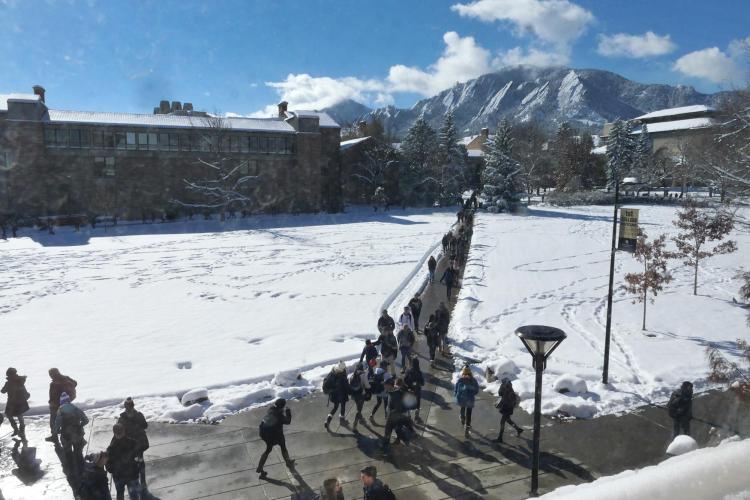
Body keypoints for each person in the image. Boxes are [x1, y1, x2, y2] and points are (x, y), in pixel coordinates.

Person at [53, 392, 89, 481]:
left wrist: (55, 432)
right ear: (69, 400)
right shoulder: (75, 409)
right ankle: (82, 471)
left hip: (66, 436)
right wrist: (80, 425)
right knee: (78, 453)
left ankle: (72, 473)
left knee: (68, 454)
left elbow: (57, 424)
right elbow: (86, 420)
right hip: (77, 435)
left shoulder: (60, 410)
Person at [256, 398, 294, 478]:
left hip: (264, 433)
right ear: (282, 407)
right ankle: (288, 462)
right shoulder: (279, 415)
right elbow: (288, 421)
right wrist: (288, 412)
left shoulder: (271, 409)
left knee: (268, 449)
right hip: (275, 435)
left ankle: (260, 467)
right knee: (283, 447)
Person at [118, 398, 149, 489]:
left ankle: (135, 481)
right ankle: (142, 481)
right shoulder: (139, 415)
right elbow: (145, 425)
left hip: (130, 445)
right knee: (140, 461)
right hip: (139, 443)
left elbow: (118, 430)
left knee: (132, 462)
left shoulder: (122, 418)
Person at [106, 423, 141, 500]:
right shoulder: (133, 443)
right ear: (124, 431)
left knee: (120, 494)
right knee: (134, 495)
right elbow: (139, 457)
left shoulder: (111, 447)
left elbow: (108, 463)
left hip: (118, 476)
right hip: (131, 474)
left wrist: (112, 470)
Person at [46, 368, 78, 442]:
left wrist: (52, 403)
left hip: (56, 406)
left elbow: (53, 396)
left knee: (53, 421)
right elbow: (75, 383)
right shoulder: (66, 378)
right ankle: (67, 436)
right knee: (65, 421)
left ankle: (54, 436)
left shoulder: (54, 384)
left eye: (50, 374)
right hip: (66, 403)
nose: (50, 376)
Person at [383, 379, 414, 448]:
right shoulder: (391, 392)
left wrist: (390, 414)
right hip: (393, 416)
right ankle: (402, 441)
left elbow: (398, 408)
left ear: (390, 385)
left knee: (392, 431)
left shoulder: (396, 394)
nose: (384, 387)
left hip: (394, 417)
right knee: (397, 430)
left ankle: (385, 449)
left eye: (385, 385)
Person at [2, 367, 30, 439]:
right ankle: (18, 429)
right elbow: (3, 391)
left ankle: (19, 429)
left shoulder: (17, 381)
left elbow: (3, 391)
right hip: (14, 401)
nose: (8, 376)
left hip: (16, 402)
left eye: (9, 375)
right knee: (13, 415)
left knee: (16, 415)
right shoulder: (16, 381)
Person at [323, 362, 351, 429]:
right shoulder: (342, 374)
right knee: (343, 406)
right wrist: (349, 391)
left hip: (333, 395)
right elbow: (346, 385)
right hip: (341, 394)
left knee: (335, 408)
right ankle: (342, 420)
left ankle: (328, 420)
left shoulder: (332, 372)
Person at [454, 366, 479, 431]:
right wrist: (472, 394)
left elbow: (456, 388)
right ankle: (468, 424)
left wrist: (456, 394)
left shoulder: (460, 380)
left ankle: (462, 418)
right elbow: (476, 390)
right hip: (470, 399)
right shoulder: (473, 380)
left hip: (462, 398)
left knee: (462, 407)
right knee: (469, 412)